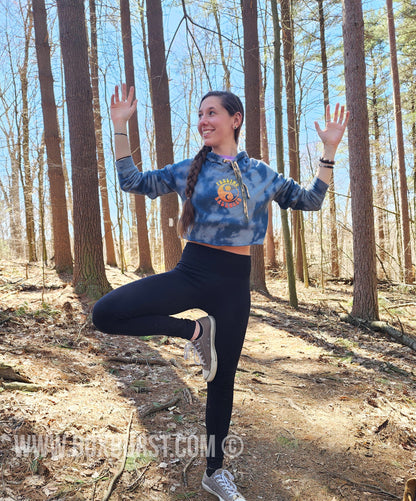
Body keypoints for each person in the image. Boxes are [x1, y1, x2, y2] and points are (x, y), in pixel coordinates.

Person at [92, 83, 349, 501]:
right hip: (192, 271)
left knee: (222, 379)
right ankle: (196, 333)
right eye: (200, 114)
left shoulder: (262, 173)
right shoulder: (187, 169)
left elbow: (309, 201)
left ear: (235, 119)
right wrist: (120, 125)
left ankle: (215, 471)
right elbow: (132, 181)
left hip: (234, 285)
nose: (203, 121)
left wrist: (329, 152)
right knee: (105, 313)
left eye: (212, 113)